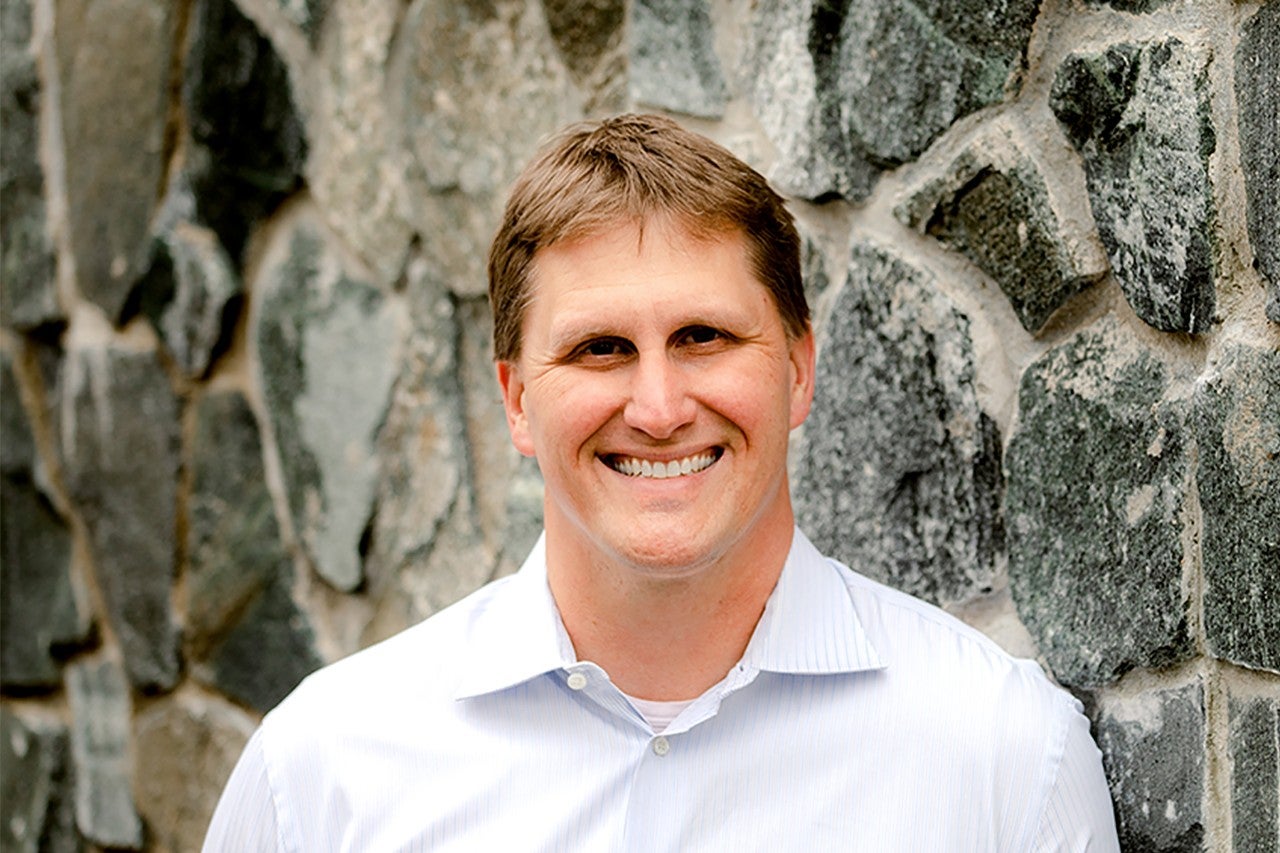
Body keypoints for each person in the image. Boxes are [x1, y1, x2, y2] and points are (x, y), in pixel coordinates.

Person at [203, 114, 1120, 850]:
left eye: (703, 337)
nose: (658, 407)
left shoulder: (1003, 759)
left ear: (799, 369)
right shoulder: (321, 773)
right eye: (600, 348)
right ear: (517, 400)